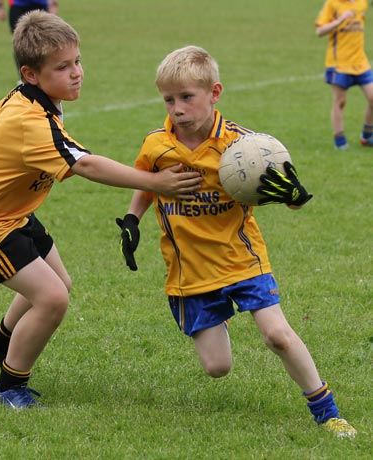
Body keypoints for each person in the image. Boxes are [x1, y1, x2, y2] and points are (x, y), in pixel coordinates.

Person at [0, 11, 202, 409]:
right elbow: (86, 164)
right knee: (53, 299)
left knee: (61, 283)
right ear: (32, 73)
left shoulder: (23, 95)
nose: (77, 73)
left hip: (13, 215)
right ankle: (8, 389)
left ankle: (0, 341)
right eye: (63, 67)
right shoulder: (31, 120)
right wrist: (155, 183)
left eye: (77, 61)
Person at [116, 45, 356, 438]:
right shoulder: (156, 144)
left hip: (241, 258)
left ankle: (327, 411)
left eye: (187, 97)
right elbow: (146, 182)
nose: (177, 108)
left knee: (277, 335)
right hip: (189, 268)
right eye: (169, 99)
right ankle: (218, 315)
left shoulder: (247, 148)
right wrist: (131, 218)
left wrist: (293, 196)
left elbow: (280, 191)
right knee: (217, 367)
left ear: (214, 93)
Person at [315, 0, 373, 150]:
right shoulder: (332, 4)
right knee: (340, 101)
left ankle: (367, 135)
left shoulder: (362, 3)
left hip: (360, 62)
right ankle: (340, 141)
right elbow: (320, 31)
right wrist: (340, 20)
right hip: (338, 63)